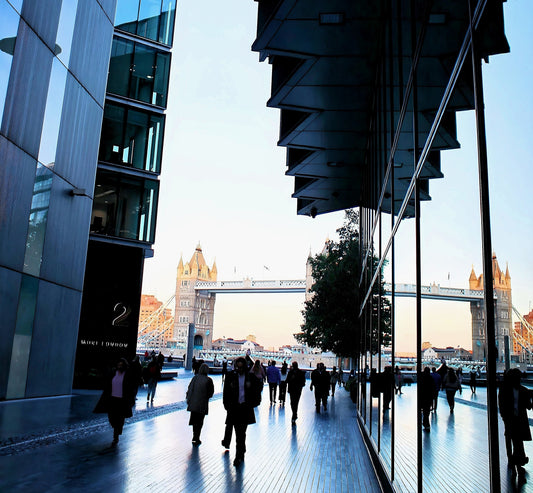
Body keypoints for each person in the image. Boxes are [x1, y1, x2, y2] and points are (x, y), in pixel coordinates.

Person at [222, 356, 262, 467]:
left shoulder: (251, 377)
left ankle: (239, 455)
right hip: (234, 408)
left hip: (245, 408)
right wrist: (227, 406)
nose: (239, 370)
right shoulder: (230, 376)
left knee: (241, 433)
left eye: (241, 368)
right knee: (238, 432)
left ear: (245, 367)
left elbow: (257, 392)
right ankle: (241, 452)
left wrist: (253, 404)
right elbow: (226, 392)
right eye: (237, 367)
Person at [93, 358, 136, 446]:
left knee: (119, 419)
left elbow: (130, 387)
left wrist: (131, 399)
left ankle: (116, 436)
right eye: (118, 365)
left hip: (122, 400)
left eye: (121, 365)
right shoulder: (113, 374)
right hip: (112, 399)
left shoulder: (127, 375)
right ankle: (116, 428)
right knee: (111, 417)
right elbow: (108, 384)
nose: (119, 367)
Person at [499, 368, 533, 475]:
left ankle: (515, 461)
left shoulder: (522, 391)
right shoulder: (507, 390)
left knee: (515, 440)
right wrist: (505, 417)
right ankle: (516, 460)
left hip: (517, 419)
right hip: (511, 419)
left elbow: (528, 406)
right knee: (516, 440)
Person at [186, 363, 215, 445]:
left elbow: (190, 389)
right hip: (202, 404)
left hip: (194, 403)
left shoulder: (195, 378)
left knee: (194, 420)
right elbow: (211, 393)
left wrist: (189, 399)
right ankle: (197, 436)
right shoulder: (208, 380)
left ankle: (194, 435)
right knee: (200, 421)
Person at [420, 367, 436, 431]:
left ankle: (425, 423)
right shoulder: (431, 378)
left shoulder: (422, 378)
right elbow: (433, 387)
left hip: (423, 396)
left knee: (424, 411)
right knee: (427, 411)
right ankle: (426, 423)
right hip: (429, 397)